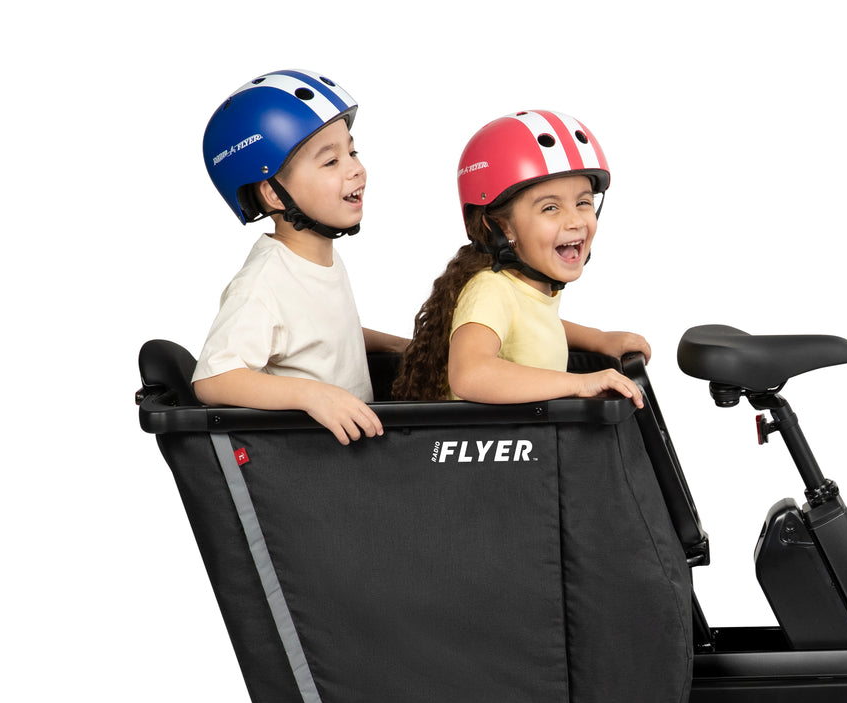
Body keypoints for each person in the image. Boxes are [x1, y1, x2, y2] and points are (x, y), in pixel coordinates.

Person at [193, 69, 409, 444]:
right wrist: (311, 395)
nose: (356, 169)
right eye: (331, 162)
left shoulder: (317, 261)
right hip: (315, 462)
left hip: (358, 452)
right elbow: (214, 378)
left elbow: (325, 338)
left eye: (352, 152)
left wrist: (401, 346)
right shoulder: (262, 285)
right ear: (274, 194)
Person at [391, 110, 648, 405]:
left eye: (583, 202)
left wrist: (598, 339)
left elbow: (533, 325)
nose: (575, 221)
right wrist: (580, 384)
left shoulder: (525, 290)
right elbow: (469, 375)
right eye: (550, 208)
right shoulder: (490, 290)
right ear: (502, 226)